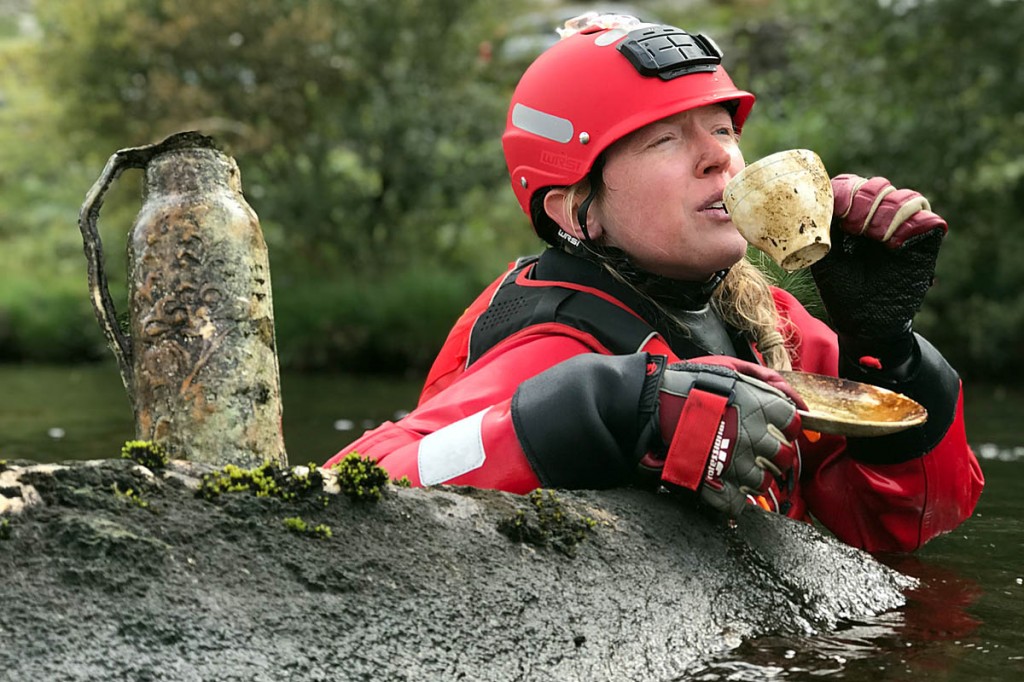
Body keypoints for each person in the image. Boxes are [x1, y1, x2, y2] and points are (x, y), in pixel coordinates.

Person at [325, 12, 983, 553]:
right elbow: (347, 494)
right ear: (575, 211)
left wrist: (887, 351)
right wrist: (600, 409)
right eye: (663, 140)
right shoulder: (551, 344)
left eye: (723, 129)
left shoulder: (769, 320)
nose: (718, 156)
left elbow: (904, 523)